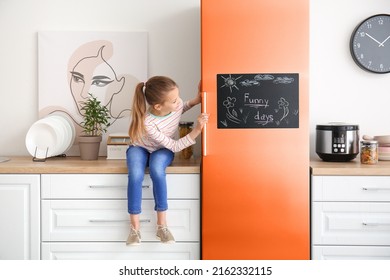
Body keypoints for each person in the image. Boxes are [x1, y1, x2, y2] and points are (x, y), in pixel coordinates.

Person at [126, 76, 208, 245]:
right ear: (158, 106)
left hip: (162, 150)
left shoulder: (175, 105)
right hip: (140, 147)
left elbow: (182, 107)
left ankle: (161, 226)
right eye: (173, 100)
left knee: (157, 170)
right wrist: (196, 131)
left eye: (178, 97)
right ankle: (134, 229)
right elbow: (175, 146)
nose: (178, 102)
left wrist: (197, 100)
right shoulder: (148, 122)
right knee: (135, 175)